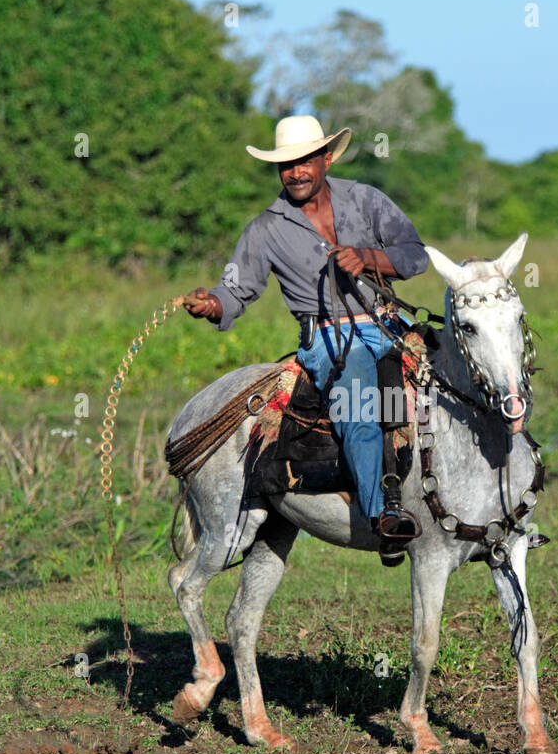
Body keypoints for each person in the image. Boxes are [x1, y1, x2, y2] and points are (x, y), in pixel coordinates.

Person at [180, 115, 428, 558]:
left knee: (458, 377)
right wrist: (212, 304)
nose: (295, 172)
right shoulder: (265, 228)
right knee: (358, 400)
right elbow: (236, 289)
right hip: (329, 341)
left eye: (304, 161)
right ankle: (382, 517)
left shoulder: (366, 200)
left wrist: (369, 258)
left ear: (326, 159)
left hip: (391, 326)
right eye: (285, 165)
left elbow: (414, 256)